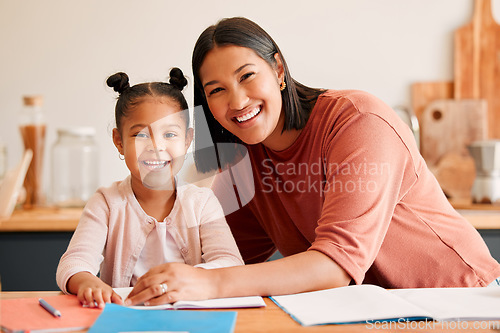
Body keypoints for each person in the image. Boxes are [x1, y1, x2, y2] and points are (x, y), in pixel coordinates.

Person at [124, 17, 500, 306]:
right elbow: (210, 254)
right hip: (368, 311)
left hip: (460, 299)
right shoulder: (241, 160)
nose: (236, 102)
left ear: (279, 71)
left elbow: (336, 264)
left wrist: (210, 283)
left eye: (247, 76)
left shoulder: (357, 120)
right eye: (217, 90)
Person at [56, 68, 243, 308]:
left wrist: (190, 278)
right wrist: (85, 282)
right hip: (125, 318)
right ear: (119, 141)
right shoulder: (106, 202)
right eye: (141, 134)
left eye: (169, 134)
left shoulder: (202, 201)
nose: (156, 146)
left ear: (187, 140)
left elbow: (230, 262)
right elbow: (74, 262)